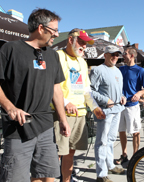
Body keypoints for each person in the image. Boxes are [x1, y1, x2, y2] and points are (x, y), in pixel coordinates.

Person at [0, 8, 70, 182]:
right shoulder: (10, 49)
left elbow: (56, 89)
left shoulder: (53, 56)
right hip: (18, 127)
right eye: (54, 30)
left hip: (45, 125)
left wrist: (63, 119)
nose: (56, 34)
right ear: (41, 28)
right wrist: (10, 108)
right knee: (16, 178)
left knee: (48, 175)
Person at [53, 28, 105, 182]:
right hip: (60, 114)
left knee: (70, 154)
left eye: (86, 43)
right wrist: (65, 102)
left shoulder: (82, 62)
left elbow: (86, 90)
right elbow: (49, 85)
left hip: (80, 114)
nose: (84, 46)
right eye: (81, 42)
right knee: (55, 154)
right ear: (71, 40)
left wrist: (94, 107)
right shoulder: (57, 56)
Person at [90, 45, 126, 182]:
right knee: (102, 141)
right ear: (105, 54)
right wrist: (106, 100)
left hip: (117, 109)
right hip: (105, 111)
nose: (115, 57)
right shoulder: (98, 70)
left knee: (110, 139)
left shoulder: (117, 70)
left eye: (117, 54)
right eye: (112, 54)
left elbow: (118, 89)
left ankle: (110, 165)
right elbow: (90, 90)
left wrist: (122, 96)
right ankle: (101, 174)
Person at [115, 47, 144, 165]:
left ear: (132, 56)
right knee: (121, 131)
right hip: (120, 106)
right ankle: (124, 155)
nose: (122, 56)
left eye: (125, 54)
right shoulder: (120, 69)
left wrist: (139, 93)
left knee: (135, 131)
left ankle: (136, 157)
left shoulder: (140, 71)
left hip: (133, 106)